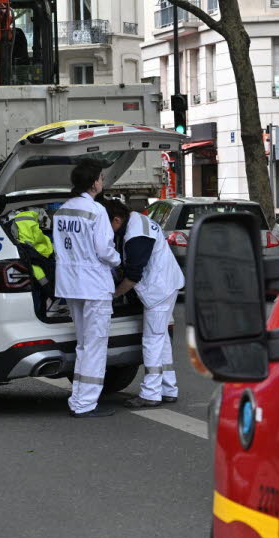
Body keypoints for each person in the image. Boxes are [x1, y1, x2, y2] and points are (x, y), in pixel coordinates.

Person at [53, 162, 122, 418]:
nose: (102, 182)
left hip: (70, 285)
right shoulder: (96, 211)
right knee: (95, 346)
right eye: (101, 178)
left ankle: (78, 399)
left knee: (83, 345)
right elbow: (104, 250)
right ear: (94, 182)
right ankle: (86, 404)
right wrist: (118, 260)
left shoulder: (62, 210)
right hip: (94, 285)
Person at [104, 198, 185, 409]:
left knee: (152, 340)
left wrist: (112, 296)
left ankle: (151, 393)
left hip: (159, 288)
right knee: (161, 338)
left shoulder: (136, 235)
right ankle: (168, 388)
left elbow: (133, 275)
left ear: (116, 219)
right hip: (166, 284)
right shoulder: (137, 221)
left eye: (106, 225)